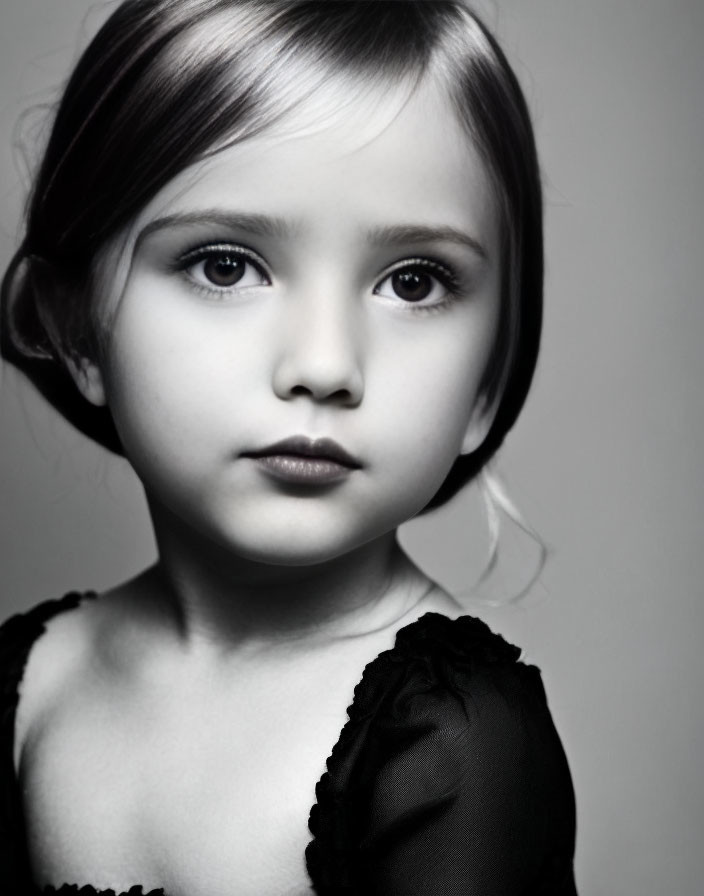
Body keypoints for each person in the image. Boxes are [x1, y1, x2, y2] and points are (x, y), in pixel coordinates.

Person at [0, 1, 577, 893]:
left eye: (413, 281)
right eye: (226, 265)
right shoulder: (30, 686)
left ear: (487, 383)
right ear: (74, 328)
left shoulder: (451, 743)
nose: (324, 364)